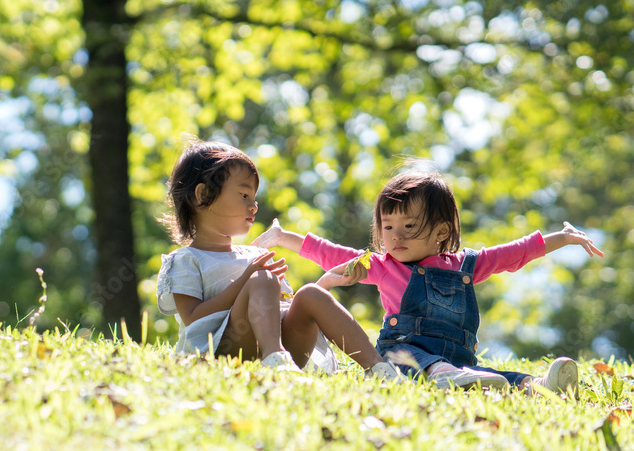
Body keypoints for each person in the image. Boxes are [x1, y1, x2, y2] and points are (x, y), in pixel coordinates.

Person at [254, 166, 604, 392]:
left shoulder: (465, 265)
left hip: (457, 358)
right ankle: (442, 374)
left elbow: (513, 253)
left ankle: (538, 386)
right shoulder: (383, 265)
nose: (396, 236)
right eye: (388, 226)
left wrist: (562, 237)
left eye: (409, 225)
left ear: (441, 232)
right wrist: (283, 237)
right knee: (416, 357)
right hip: (402, 352)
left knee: (493, 376)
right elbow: (330, 253)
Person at [155, 140, 402, 379]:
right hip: (223, 351)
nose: (254, 206)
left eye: (254, 198)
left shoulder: (255, 255)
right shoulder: (186, 260)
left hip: (289, 344)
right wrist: (247, 279)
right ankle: (274, 357)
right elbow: (193, 317)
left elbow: (285, 307)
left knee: (310, 293)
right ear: (203, 195)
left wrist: (326, 282)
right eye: (244, 195)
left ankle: (379, 368)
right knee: (262, 278)